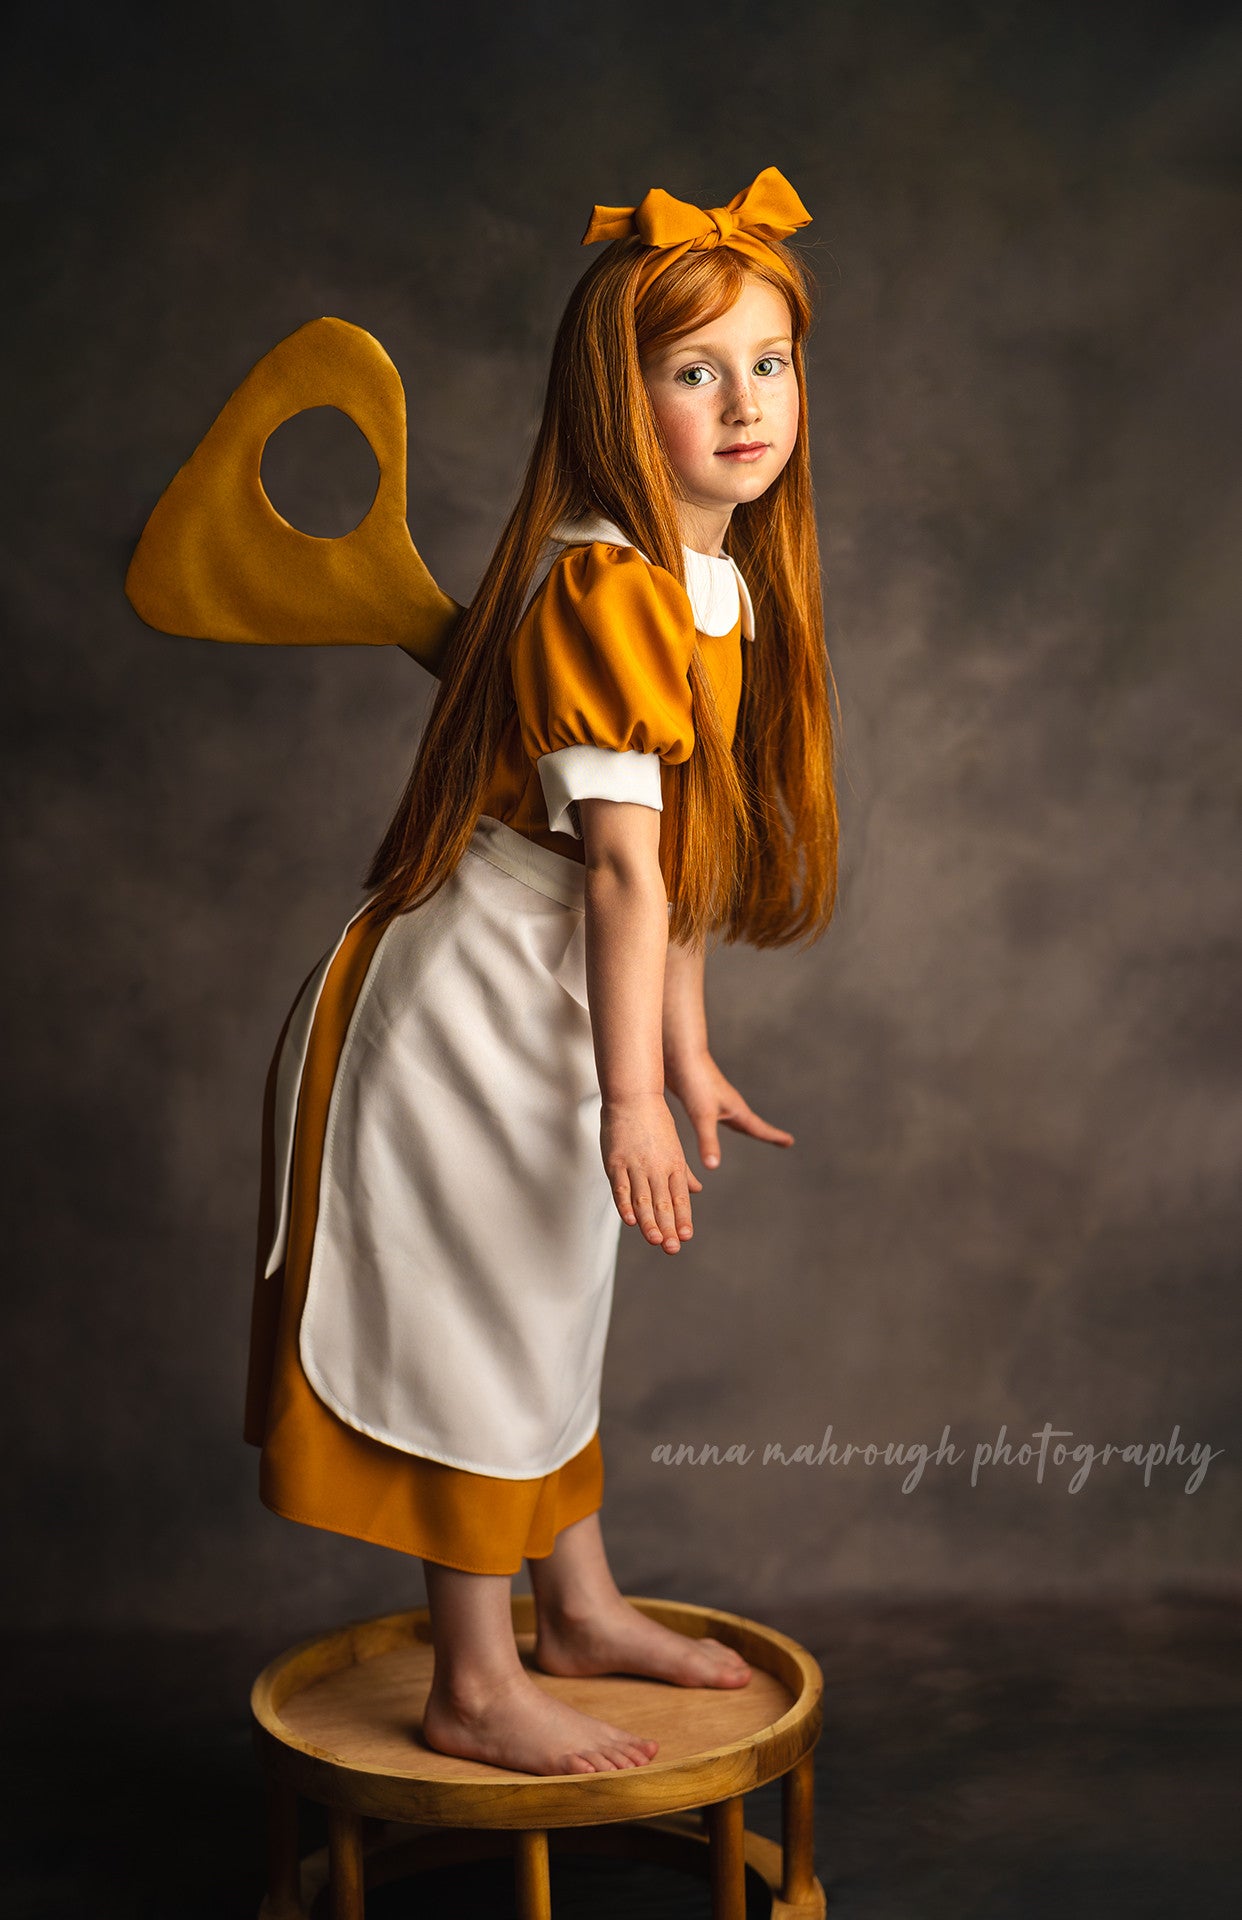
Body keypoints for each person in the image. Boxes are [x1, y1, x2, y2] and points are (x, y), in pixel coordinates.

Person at [243, 165, 840, 1777]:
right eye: (693, 370)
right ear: (614, 399)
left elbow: (681, 846)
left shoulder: (710, 581)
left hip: (570, 991)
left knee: (548, 1307)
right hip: (472, 1007)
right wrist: (630, 1095)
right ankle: (474, 1676)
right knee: (479, 1326)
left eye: (769, 362)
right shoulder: (600, 587)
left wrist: (680, 1049)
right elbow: (624, 869)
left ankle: (571, 1609)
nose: (744, 403)